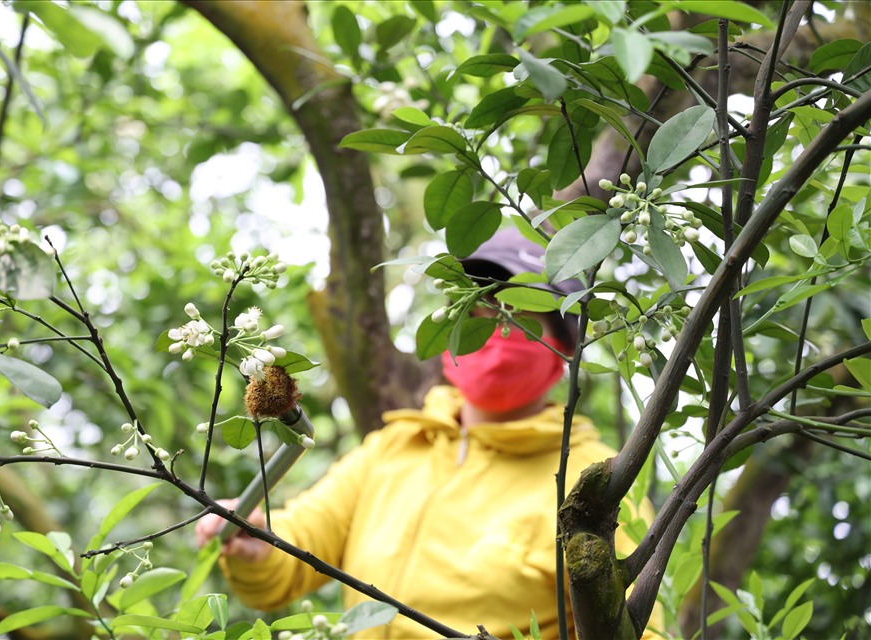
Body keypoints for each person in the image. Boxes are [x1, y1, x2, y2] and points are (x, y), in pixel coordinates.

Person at [196, 228, 661, 639]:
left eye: (521, 314)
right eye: (482, 306)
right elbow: (298, 547)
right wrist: (256, 541)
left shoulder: (596, 478)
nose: (496, 327)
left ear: (562, 342)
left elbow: (641, 627)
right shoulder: (393, 447)